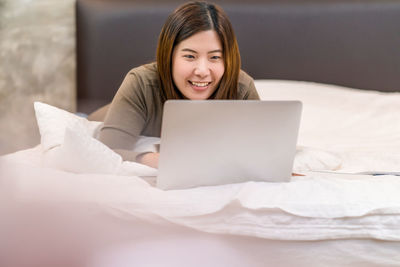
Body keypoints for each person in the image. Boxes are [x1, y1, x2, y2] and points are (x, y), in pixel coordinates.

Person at [98, 1, 260, 169]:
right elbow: (105, 153)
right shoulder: (141, 83)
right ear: (169, 56)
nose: (202, 71)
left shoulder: (241, 88)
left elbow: (263, 151)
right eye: (190, 56)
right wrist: (157, 160)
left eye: (215, 57)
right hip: (98, 116)